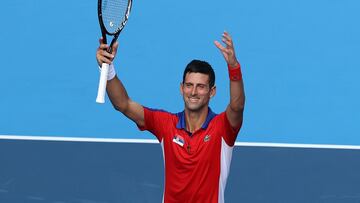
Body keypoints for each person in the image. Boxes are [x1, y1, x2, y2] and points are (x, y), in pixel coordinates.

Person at [96, 31, 245, 203]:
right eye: (189, 85)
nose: (194, 92)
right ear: (182, 88)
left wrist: (234, 67)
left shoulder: (222, 128)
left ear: (212, 92)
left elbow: (237, 105)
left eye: (201, 87)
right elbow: (123, 104)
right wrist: (107, 68)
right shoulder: (166, 124)